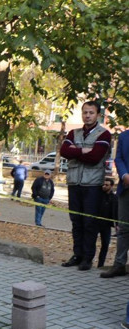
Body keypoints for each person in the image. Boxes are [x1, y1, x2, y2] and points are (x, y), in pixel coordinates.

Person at [59, 101, 112, 271]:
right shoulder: (74, 132)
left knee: (89, 222)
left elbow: (96, 157)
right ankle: (77, 254)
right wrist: (84, 151)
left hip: (92, 184)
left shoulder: (104, 134)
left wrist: (76, 151)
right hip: (74, 182)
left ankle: (87, 258)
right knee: (76, 221)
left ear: (98, 115)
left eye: (91, 112)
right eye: (85, 112)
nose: (87, 115)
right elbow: (64, 152)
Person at [102, 128, 129, 278]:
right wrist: (125, 175)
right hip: (126, 189)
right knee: (123, 228)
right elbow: (118, 159)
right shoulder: (124, 136)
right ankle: (119, 264)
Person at [95, 177, 118, 268]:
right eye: (103, 184)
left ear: (111, 186)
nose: (104, 186)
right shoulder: (99, 195)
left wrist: (117, 224)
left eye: (107, 185)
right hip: (96, 223)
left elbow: (115, 212)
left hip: (106, 225)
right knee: (91, 242)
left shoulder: (114, 198)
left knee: (105, 245)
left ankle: (100, 264)